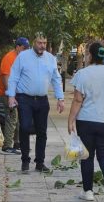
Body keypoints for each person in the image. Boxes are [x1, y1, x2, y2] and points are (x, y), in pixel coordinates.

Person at [67, 42, 104, 202]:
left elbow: (77, 100)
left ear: (89, 55)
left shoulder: (83, 74)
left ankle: (88, 191)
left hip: (87, 120)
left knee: (87, 156)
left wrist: (71, 120)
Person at [7, 32, 65, 172]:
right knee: (25, 127)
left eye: (44, 43)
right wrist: (11, 95)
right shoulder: (23, 57)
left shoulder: (50, 59)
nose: (42, 46)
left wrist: (60, 98)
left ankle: (40, 162)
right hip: (24, 98)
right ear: (34, 42)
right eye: (39, 42)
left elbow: (56, 79)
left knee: (42, 132)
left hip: (42, 100)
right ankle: (25, 160)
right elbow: (13, 76)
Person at [0, 37, 30, 154]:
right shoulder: (9, 58)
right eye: (24, 48)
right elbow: (5, 78)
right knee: (12, 117)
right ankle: (7, 145)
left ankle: (17, 143)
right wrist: (11, 96)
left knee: (18, 118)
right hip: (6, 93)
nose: (25, 51)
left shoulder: (21, 58)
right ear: (18, 46)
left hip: (16, 93)